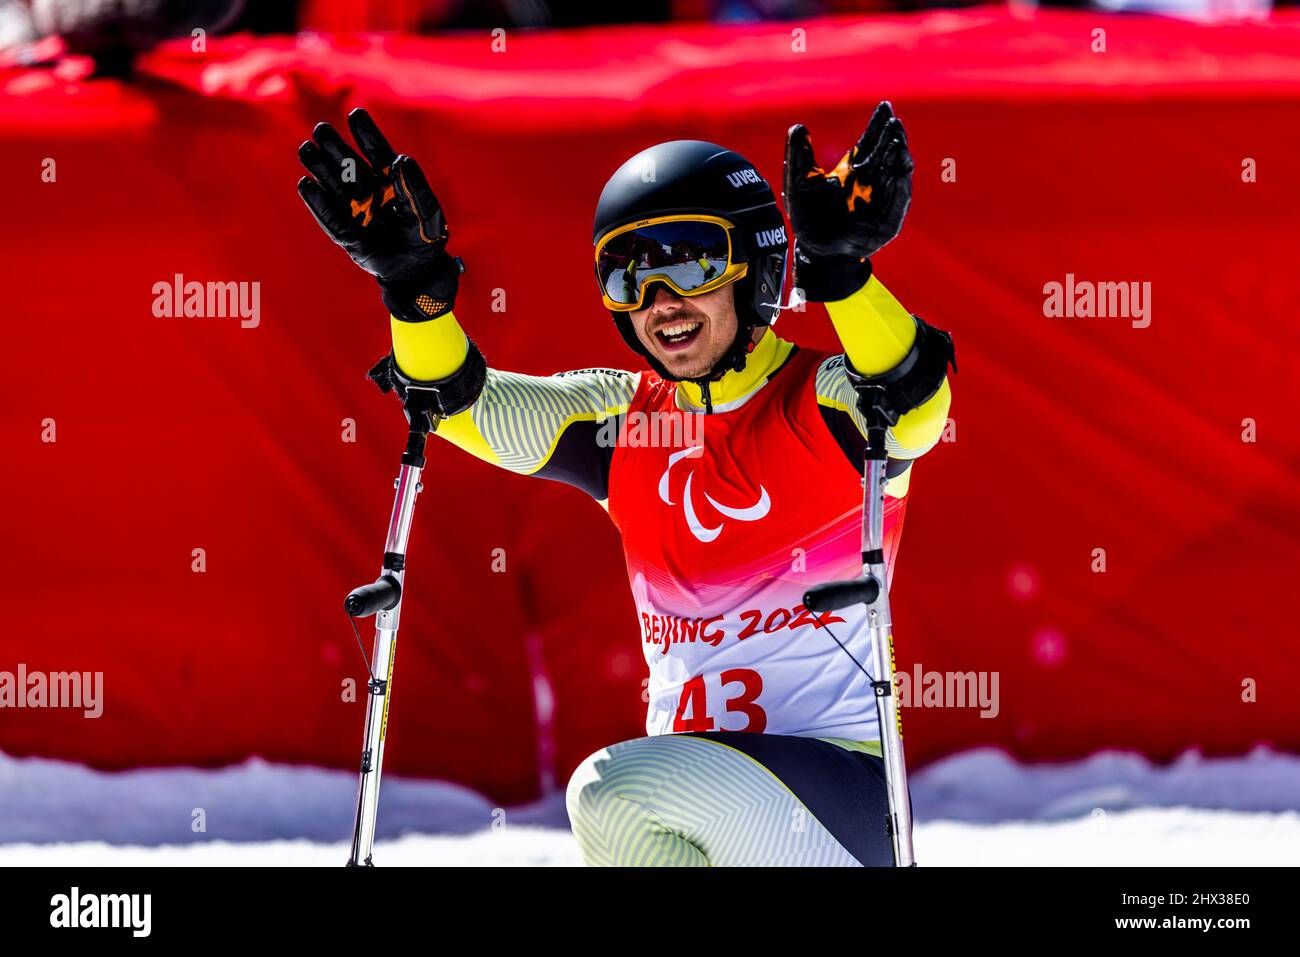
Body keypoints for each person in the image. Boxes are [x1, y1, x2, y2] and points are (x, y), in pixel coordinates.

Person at [297, 103, 954, 866]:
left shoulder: (826, 399)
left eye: (693, 261)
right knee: (630, 803)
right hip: (699, 808)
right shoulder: (627, 421)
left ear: (759, 266)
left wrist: (844, 278)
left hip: (838, 801)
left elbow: (913, 409)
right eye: (628, 273)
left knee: (611, 792)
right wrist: (413, 289)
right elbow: (456, 400)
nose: (660, 300)